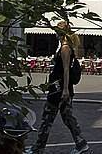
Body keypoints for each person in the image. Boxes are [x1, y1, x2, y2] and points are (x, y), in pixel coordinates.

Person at [29, 21, 90, 154]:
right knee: (68, 118)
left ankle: (38, 148)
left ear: (61, 33)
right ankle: (81, 143)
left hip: (59, 89)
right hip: (61, 88)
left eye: (57, 31)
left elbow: (66, 70)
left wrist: (65, 90)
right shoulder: (64, 46)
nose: (55, 33)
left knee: (47, 118)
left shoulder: (65, 48)